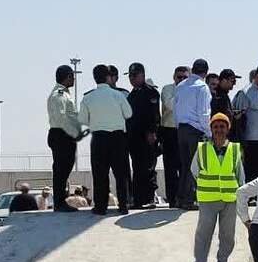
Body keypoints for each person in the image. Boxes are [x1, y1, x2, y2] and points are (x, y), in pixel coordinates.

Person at [189, 113, 245, 262]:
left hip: (229, 199)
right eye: (215, 127)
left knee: (227, 235)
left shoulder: (234, 150)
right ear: (211, 129)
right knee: (203, 234)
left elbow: (240, 175)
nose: (219, 130)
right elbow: (194, 170)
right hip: (208, 199)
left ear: (227, 129)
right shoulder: (202, 149)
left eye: (222, 127)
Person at [80, 64, 134, 215]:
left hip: (99, 138)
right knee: (121, 174)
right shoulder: (118, 95)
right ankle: (123, 205)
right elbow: (128, 114)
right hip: (118, 138)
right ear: (108, 77)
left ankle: (100, 207)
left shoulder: (88, 97)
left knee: (100, 175)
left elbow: (82, 119)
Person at [174, 59, 212, 210]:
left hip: (181, 129)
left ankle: (180, 198)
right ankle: (189, 200)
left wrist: (179, 127)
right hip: (195, 130)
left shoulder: (181, 86)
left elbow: (176, 110)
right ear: (206, 72)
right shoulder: (202, 87)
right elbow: (204, 113)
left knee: (184, 165)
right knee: (194, 166)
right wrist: (209, 133)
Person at [48, 65, 84, 212]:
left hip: (62, 134)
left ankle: (60, 201)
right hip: (61, 135)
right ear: (68, 77)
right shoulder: (59, 95)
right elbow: (62, 118)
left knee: (64, 168)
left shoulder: (63, 94)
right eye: (72, 76)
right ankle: (59, 202)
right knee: (61, 169)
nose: (74, 79)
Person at [126, 62, 161, 210]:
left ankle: (149, 198)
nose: (132, 78)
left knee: (148, 168)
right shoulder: (132, 95)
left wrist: (152, 132)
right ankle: (138, 199)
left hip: (147, 137)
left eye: (135, 75)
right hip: (134, 138)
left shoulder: (151, 92)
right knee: (137, 168)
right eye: (130, 76)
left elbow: (154, 115)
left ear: (142, 75)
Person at [160, 66, 190, 208]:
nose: (182, 80)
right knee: (170, 167)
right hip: (169, 131)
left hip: (185, 130)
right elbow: (170, 105)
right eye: (179, 77)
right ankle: (172, 199)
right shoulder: (167, 89)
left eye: (185, 78)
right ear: (174, 77)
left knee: (185, 166)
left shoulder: (192, 90)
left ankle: (184, 197)